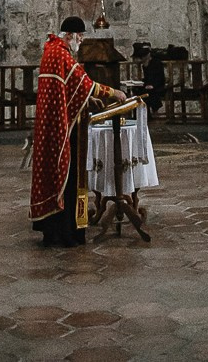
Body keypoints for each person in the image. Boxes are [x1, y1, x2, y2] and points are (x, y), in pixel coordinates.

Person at [30, 15, 126, 248]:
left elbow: (69, 90)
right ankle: (66, 233)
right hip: (63, 130)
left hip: (52, 127)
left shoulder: (51, 51)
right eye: (80, 36)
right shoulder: (61, 53)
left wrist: (87, 100)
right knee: (68, 177)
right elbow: (84, 84)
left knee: (53, 174)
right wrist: (114, 93)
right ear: (71, 35)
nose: (81, 41)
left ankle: (52, 230)